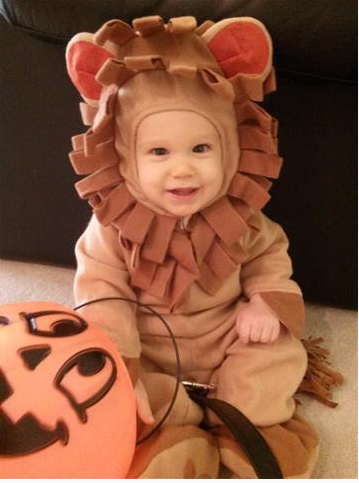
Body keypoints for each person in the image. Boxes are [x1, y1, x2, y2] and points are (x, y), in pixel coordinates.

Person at [66, 15, 337, 478]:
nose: (183, 171)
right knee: (119, 388)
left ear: (231, 146)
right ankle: (178, 433)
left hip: (230, 335)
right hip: (153, 350)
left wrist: (264, 304)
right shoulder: (110, 225)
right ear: (123, 155)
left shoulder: (242, 213)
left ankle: (245, 428)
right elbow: (102, 294)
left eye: (200, 150)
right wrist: (120, 362)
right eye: (158, 152)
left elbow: (271, 258)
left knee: (278, 353)